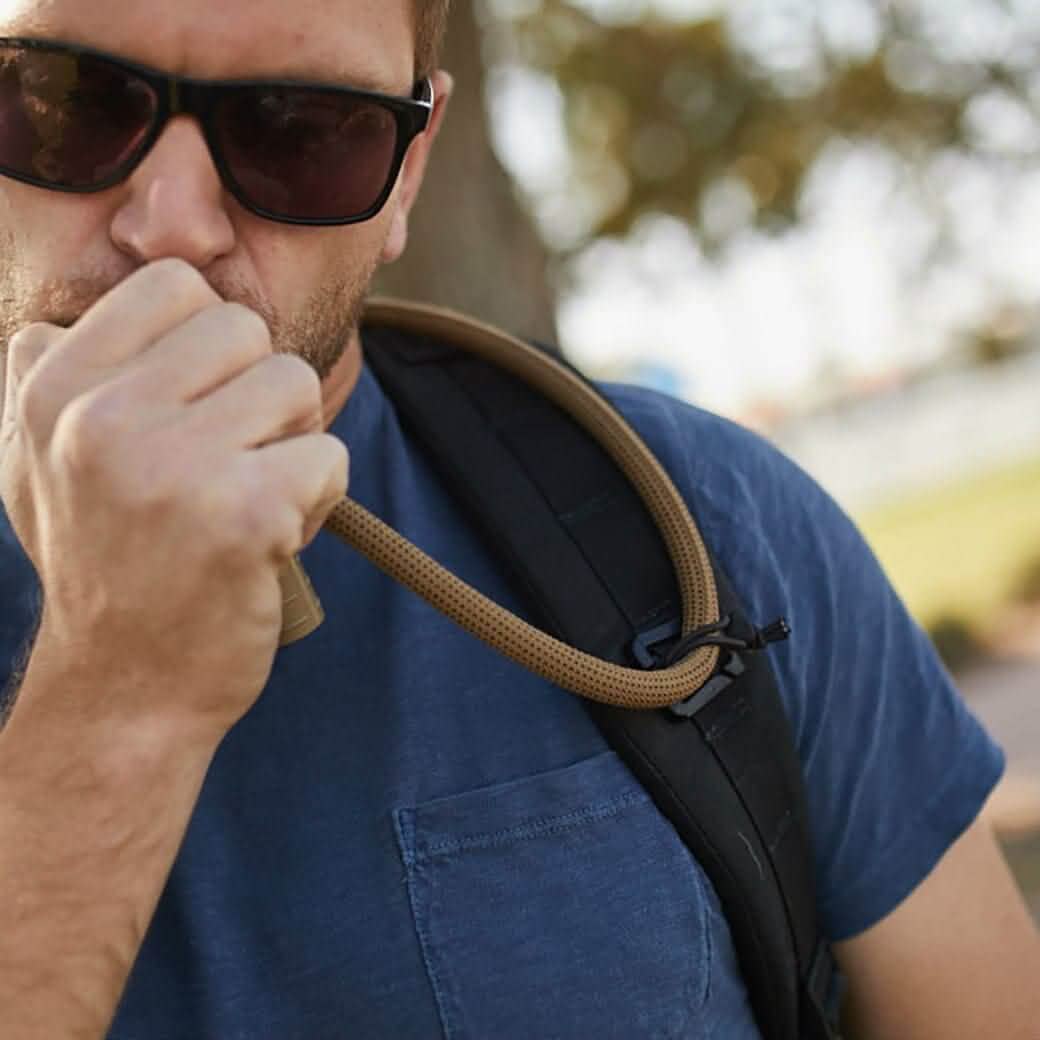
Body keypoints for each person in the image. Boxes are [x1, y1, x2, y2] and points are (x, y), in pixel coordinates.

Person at [0, 1, 1037, 1037]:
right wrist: (112, 698)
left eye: (301, 130)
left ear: (408, 174)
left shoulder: (706, 518)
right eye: (67, 101)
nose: (172, 225)